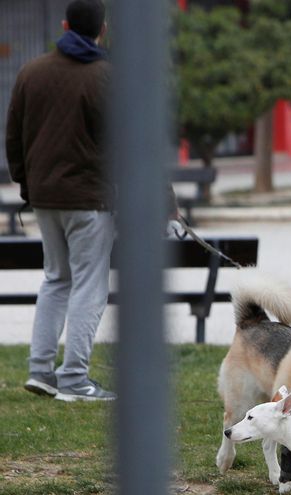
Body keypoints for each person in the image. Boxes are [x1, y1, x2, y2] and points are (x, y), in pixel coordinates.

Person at [5, 0, 116, 401]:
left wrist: (27, 186)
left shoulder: (30, 72)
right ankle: (74, 378)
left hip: (44, 197)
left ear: (65, 26)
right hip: (89, 199)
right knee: (89, 286)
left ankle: (41, 370)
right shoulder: (105, 76)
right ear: (102, 30)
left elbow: (14, 137)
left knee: (55, 279)